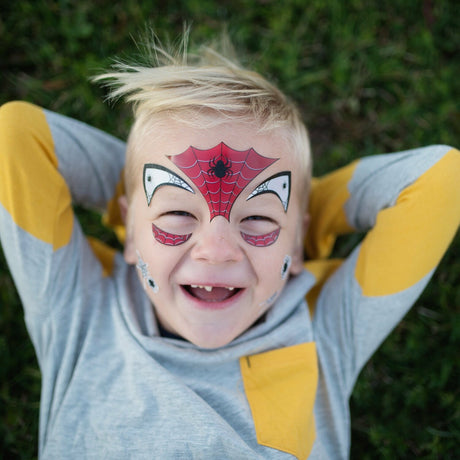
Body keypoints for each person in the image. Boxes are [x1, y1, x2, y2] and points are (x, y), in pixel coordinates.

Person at [0, 37, 459, 459]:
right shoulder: (81, 306)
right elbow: (15, 135)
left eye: (258, 219)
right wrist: (140, 203)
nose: (217, 250)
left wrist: (299, 212)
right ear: (130, 227)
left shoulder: (323, 325)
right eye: (178, 215)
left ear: (296, 244)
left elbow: (443, 179)